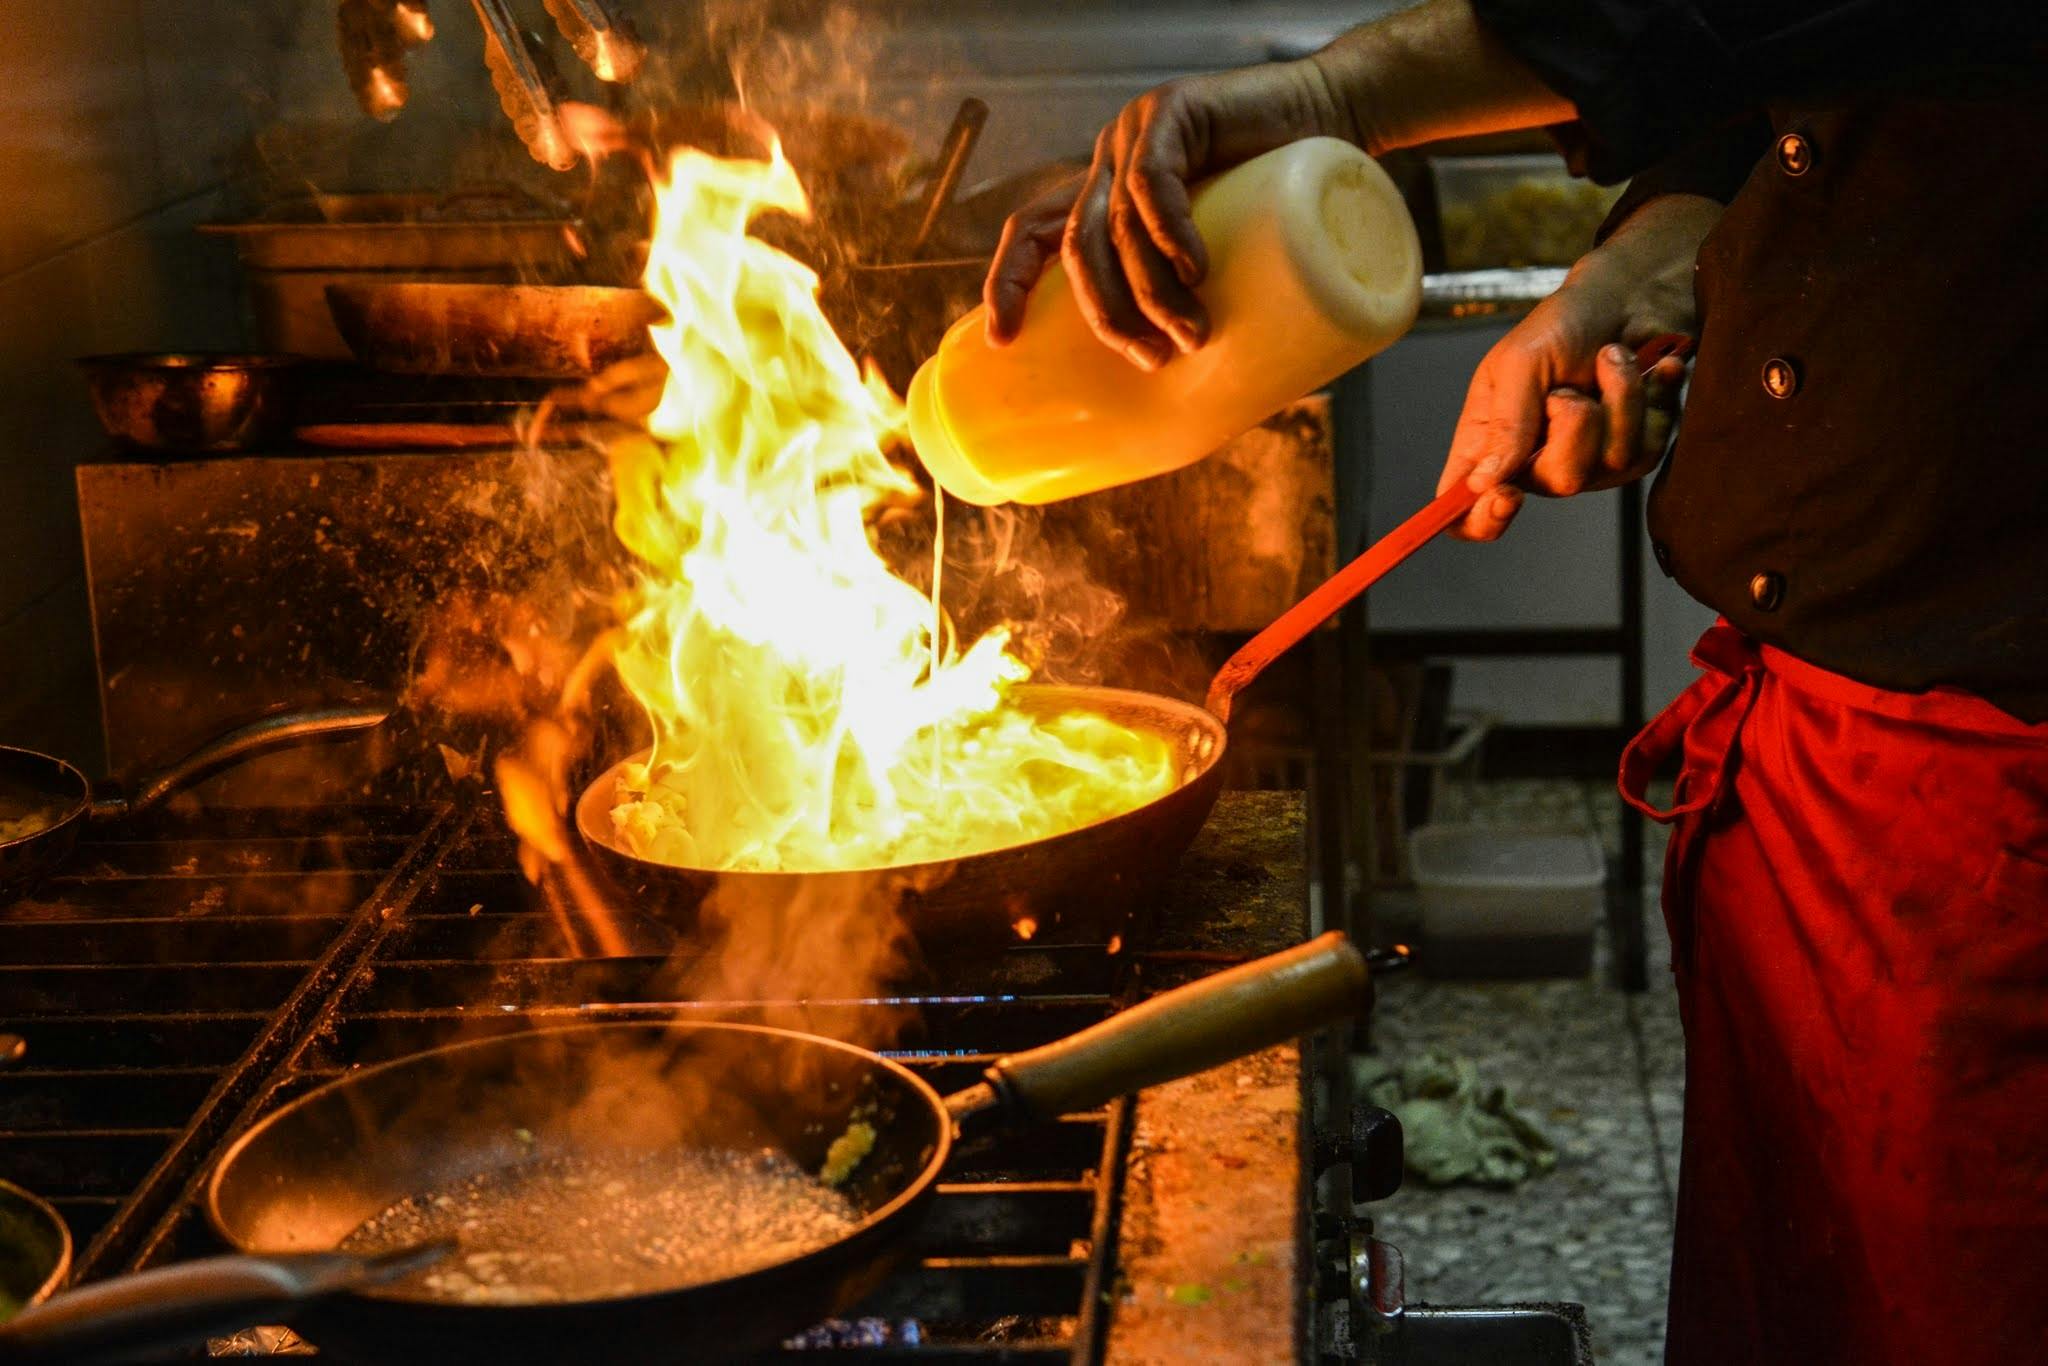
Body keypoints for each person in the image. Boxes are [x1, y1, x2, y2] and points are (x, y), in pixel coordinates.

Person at [981, 3, 2048, 1362]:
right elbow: (1784, 116)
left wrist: (1323, 101)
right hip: (1804, 768)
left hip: (1996, 812)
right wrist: (1616, 292)